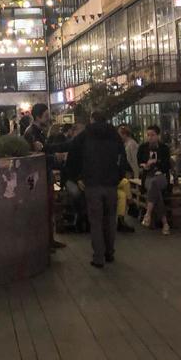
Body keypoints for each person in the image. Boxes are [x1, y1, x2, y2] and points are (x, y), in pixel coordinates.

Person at [66, 109, 127, 268]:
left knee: (96, 222)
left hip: (92, 185)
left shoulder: (85, 135)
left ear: (92, 119)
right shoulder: (115, 135)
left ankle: (98, 257)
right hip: (111, 185)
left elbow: (73, 155)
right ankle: (110, 253)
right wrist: (117, 177)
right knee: (109, 221)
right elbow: (122, 158)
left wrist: (78, 177)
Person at [24, 103, 67, 250]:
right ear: (38, 116)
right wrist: (55, 157)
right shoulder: (32, 133)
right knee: (44, 208)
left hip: (44, 174)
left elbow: (45, 150)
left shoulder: (38, 132)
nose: (49, 119)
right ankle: (45, 242)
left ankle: (49, 240)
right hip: (38, 177)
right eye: (46, 116)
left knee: (49, 207)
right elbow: (35, 156)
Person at [137, 125, 172, 236]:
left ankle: (148, 213)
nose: (150, 137)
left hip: (161, 177)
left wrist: (156, 162)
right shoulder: (142, 148)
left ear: (158, 136)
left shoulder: (164, 148)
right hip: (148, 177)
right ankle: (165, 223)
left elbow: (167, 166)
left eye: (152, 135)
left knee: (155, 183)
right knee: (155, 189)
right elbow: (139, 162)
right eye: (148, 135)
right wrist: (144, 165)